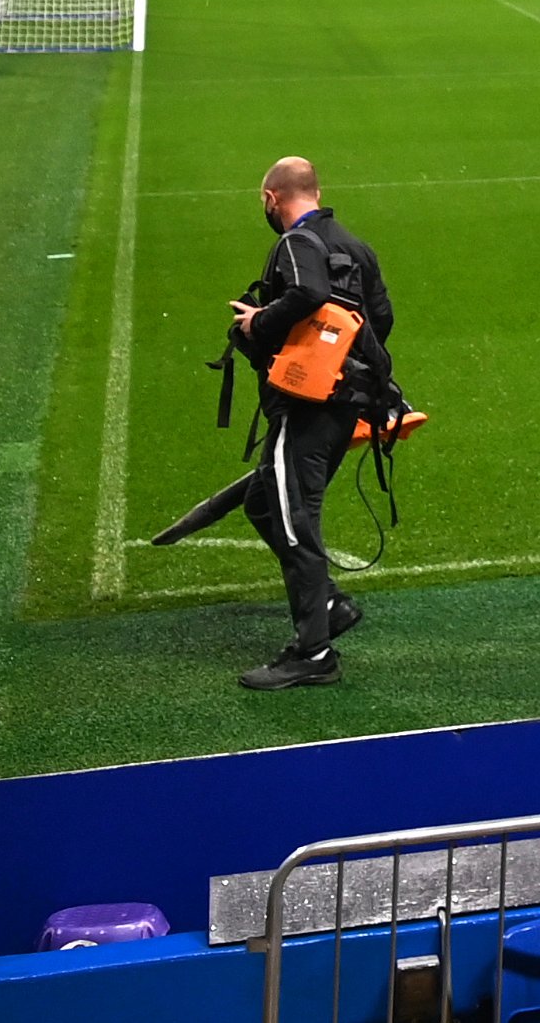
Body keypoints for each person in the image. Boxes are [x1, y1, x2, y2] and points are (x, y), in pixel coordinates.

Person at [228, 155, 397, 691]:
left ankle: (313, 651)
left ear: (272, 200)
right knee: (263, 501)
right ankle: (327, 601)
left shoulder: (295, 245)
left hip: (306, 405)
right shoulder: (355, 244)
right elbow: (382, 318)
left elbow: (309, 294)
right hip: (347, 404)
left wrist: (260, 322)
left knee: (295, 517)